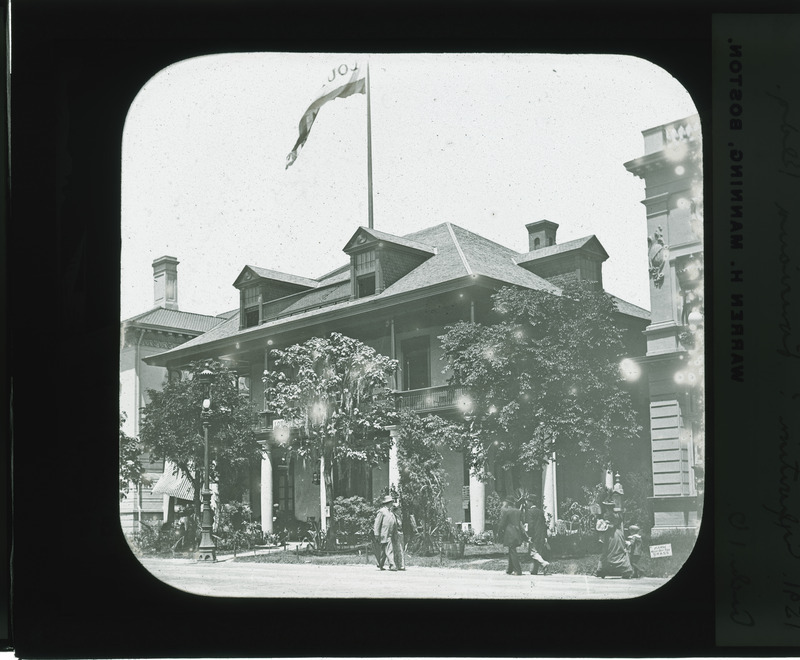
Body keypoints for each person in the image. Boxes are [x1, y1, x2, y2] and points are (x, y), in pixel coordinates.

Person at [595, 514, 634, 579]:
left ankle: (601, 571)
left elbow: (604, 544)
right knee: (621, 556)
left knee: (605, 556)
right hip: (617, 548)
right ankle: (626, 570)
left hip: (614, 547)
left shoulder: (610, 533)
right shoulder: (616, 531)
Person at [497, 496, 526, 576]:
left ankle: (518, 570)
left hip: (509, 534)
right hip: (517, 533)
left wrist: (499, 532)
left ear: (508, 503)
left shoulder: (507, 512)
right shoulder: (518, 511)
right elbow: (522, 522)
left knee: (512, 551)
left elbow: (502, 524)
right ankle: (509, 569)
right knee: (511, 550)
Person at [523, 495, 550, 575]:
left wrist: (529, 536)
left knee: (533, 553)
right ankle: (534, 571)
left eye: (528, 501)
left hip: (534, 535)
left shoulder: (530, 512)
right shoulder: (540, 511)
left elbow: (530, 525)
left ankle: (544, 563)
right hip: (541, 535)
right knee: (538, 553)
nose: (527, 503)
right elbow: (544, 525)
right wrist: (545, 536)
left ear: (531, 502)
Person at [373, 494, 397, 571]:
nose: (392, 503)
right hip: (384, 534)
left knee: (384, 551)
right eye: (391, 502)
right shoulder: (382, 511)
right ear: (388, 503)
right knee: (389, 549)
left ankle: (380, 564)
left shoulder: (390, 512)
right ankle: (392, 565)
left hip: (390, 534)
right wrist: (376, 534)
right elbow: (377, 523)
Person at [391, 501, 406, 571]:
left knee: (400, 549)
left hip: (400, 534)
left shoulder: (399, 517)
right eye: (398, 509)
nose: (400, 510)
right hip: (396, 534)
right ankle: (397, 564)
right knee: (397, 549)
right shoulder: (393, 517)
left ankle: (400, 564)